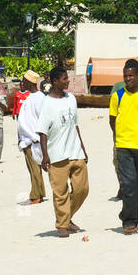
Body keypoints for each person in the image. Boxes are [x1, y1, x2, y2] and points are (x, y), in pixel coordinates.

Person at [38, 65, 88, 238]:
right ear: (55, 81)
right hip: (56, 154)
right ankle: (62, 224)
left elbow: (75, 125)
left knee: (82, 189)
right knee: (60, 193)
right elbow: (42, 132)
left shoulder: (71, 98)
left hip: (76, 152)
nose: (68, 81)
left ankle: (67, 217)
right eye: (65, 78)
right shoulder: (47, 104)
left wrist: (83, 147)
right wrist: (45, 155)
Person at [110, 59, 138, 234]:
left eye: (131, 75)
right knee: (128, 184)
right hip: (123, 145)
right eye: (125, 76)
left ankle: (125, 212)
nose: (128, 78)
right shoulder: (117, 95)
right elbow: (112, 120)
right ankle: (129, 222)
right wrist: (118, 137)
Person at [15, 70, 47, 205]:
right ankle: (39, 192)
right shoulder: (31, 97)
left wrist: (37, 136)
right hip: (27, 138)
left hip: (34, 138)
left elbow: (43, 119)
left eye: (24, 80)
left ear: (29, 82)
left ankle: (36, 196)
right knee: (33, 168)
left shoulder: (39, 98)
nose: (22, 83)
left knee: (35, 168)